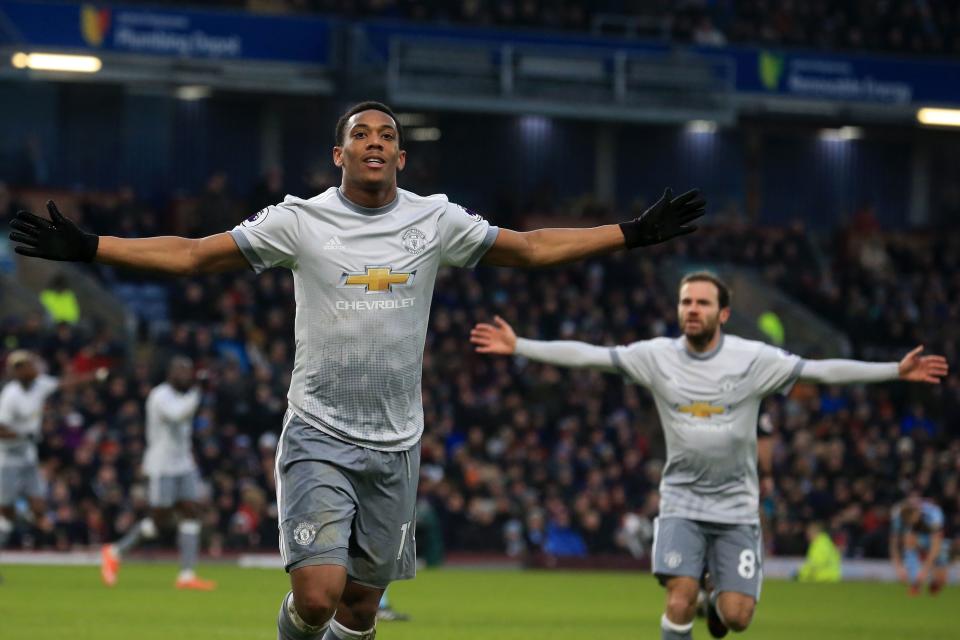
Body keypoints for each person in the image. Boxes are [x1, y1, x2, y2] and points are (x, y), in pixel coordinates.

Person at [9, 101, 705, 640]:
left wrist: (632, 232)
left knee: (360, 606)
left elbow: (527, 248)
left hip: (396, 443)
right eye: (361, 133)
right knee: (316, 596)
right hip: (317, 430)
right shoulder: (300, 220)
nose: (374, 141)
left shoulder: (435, 220)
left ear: (400, 155)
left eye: (386, 135)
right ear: (338, 152)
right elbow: (194, 255)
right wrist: (93, 246)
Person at [470, 271, 948, 640]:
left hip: (738, 506)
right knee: (677, 597)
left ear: (722, 314)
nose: (692, 310)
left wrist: (893, 370)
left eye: (702, 303)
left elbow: (820, 371)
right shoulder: (656, 356)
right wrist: (520, 346)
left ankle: (712, 604)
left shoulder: (753, 359)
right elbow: (592, 356)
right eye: (685, 302)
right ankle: (693, 599)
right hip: (681, 500)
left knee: (737, 618)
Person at [100, 356, 216, 590]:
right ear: (170, 374)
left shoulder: (185, 395)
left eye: (189, 372)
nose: (186, 376)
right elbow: (177, 415)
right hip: (162, 465)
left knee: (191, 512)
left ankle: (186, 575)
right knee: (159, 520)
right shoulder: (159, 396)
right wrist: (197, 392)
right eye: (181, 372)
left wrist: (195, 392)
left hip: (184, 463)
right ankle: (114, 551)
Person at [0, 350, 106, 551]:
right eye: (27, 364)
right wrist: (23, 436)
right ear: (17, 370)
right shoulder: (10, 396)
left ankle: (40, 530)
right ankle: (24, 524)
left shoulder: (40, 384)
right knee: (5, 511)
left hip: (28, 456)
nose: (33, 367)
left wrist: (96, 377)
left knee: (39, 506)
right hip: (7, 458)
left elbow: (67, 383)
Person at [890, 495, 950, 596]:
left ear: (917, 512)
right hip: (916, 538)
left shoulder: (934, 515)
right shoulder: (898, 516)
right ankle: (915, 584)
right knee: (909, 539)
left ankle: (933, 582)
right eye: (908, 522)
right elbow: (894, 543)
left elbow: (935, 546)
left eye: (913, 520)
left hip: (933, 538)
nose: (911, 523)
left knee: (941, 579)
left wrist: (925, 570)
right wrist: (898, 566)